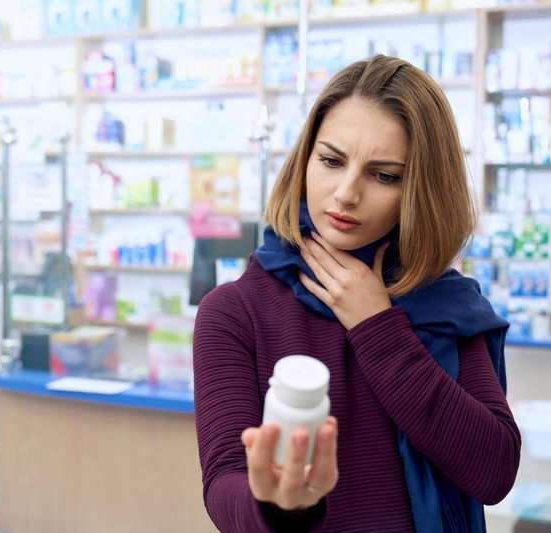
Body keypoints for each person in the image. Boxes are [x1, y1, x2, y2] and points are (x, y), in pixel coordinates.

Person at [193, 55, 521, 533]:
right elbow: (224, 485)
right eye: (331, 161)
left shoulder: (446, 306)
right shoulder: (236, 310)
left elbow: (493, 472)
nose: (346, 193)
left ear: (422, 190)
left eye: (384, 175)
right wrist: (281, 504)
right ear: (305, 160)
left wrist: (377, 328)